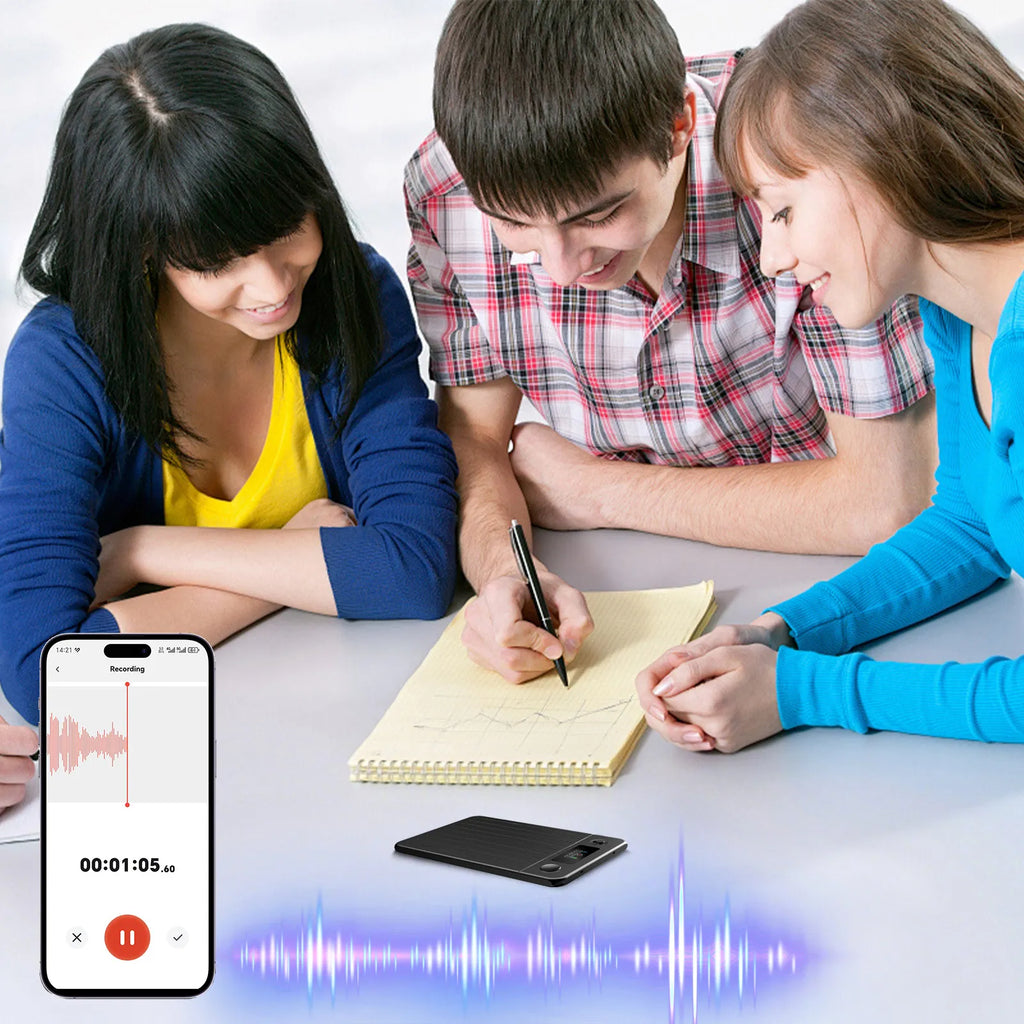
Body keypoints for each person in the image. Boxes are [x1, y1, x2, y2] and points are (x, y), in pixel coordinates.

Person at [405, 0, 938, 686]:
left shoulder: (804, 154)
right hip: (631, 604)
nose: (564, 268)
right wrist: (504, 573)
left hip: (857, 600)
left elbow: (888, 498)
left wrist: (598, 493)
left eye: (599, 214)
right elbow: (475, 440)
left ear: (680, 123)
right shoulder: (445, 189)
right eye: (516, 226)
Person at [0, 23, 459, 808]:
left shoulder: (353, 293)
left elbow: (414, 569)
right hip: (180, 780)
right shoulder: (65, 361)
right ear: (142, 246)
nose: (271, 284)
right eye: (215, 261)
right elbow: (52, 678)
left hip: (342, 750)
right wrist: (287, 558)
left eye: (286, 231)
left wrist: (143, 554)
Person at [636, 0, 1024, 751]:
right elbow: (973, 526)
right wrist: (780, 634)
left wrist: (801, 693)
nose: (773, 259)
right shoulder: (953, 313)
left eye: (781, 212)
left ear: (884, 152)